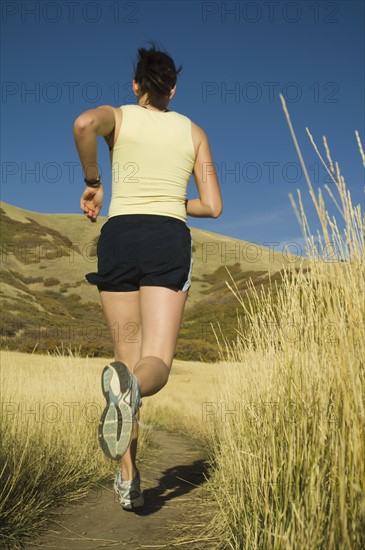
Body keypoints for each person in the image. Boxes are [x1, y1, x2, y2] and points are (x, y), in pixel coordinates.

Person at [73, 43, 222, 511]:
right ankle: (132, 393)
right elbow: (213, 206)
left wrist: (94, 180)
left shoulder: (117, 116)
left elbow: (82, 125)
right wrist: (175, 202)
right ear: (172, 89)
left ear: (135, 84)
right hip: (166, 238)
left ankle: (128, 478)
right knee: (153, 361)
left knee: (126, 360)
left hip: (119, 235)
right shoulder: (193, 131)